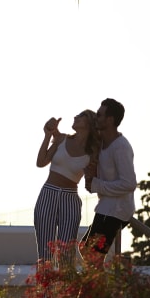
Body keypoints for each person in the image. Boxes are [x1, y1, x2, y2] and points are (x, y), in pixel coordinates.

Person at [34, 109, 100, 265]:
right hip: (48, 193)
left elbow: (93, 180)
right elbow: (40, 162)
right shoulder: (62, 139)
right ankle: (44, 282)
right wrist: (48, 135)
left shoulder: (93, 152)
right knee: (45, 253)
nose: (76, 116)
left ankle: (66, 282)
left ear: (90, 123)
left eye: (81, 116)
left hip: (70, 198)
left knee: (66, 255)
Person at [81, 98, 137, 257]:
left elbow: (129, 183)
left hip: (116, 210)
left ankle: (105, 276)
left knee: (91, 254)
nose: (96, 118)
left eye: (99, 115)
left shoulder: (121, 146)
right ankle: (100, 274)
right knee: (86, 249)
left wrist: (96, 185)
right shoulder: (101, 144)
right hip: (106, 207)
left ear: (110, 120)